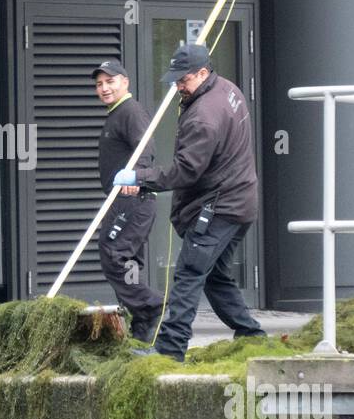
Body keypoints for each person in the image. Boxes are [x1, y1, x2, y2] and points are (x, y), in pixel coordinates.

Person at [113, 43, 264, 361]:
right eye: (175, 79)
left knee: (189, 273)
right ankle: (252, 335)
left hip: (220, 207)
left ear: (203, 72)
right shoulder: (228, 89)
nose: (178, 86)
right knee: (214, 275)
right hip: (240, 200)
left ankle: (171, 349)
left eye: (184, 80)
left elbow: (185, 172)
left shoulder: (203, 118)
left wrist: (139, 178)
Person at [92, 59, 164, 341]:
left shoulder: (130, 111)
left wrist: (136, 176)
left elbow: (145, 146)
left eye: (110, 81)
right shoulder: (116, 113)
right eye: (99, 84)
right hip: (121, 200)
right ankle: (141, 330)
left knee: (112, 253)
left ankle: (151, 306)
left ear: (125, 82)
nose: (104, 88)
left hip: (132, 198)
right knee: (130, 262)